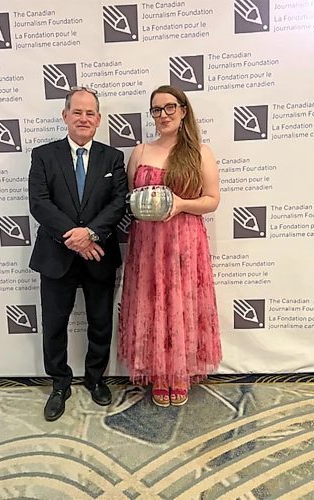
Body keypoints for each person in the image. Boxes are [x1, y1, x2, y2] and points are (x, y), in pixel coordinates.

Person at [118, 85, 221, 407]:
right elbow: (127, 199)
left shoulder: (200, 152)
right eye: (156, 110)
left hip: (185, 242)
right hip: (148, 244)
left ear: (183, 110)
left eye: (169, 108)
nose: (163, 115)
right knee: (152, 306)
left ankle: (179, 373)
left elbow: (212, 200)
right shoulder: (140, 151)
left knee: (181, 306)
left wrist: (179, 204)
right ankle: (158, 373)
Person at [29, 87, 128, 421]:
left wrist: (91, 234)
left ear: (98, 119)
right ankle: (59, 383)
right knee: (55, 324)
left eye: (90, 113)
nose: (83, 118)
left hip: (99, 254)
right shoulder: (43, 155)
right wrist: (75, 237)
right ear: (65, 116)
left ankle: (96, 379)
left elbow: (118, 203)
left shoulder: (113, 158)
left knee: (100, 323)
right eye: (77, 112)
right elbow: (39, 202)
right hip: (57, 255)